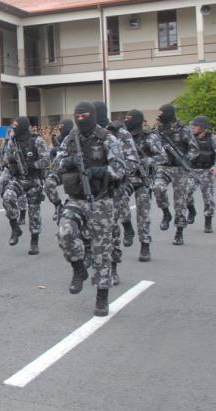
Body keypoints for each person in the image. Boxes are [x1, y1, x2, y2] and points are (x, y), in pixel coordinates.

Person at [54, 101, 125, 317]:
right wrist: (69, 162)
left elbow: (120, 169)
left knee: (101, 252)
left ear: (92, 116)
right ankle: (78, 269)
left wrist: (101, 172)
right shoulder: (70, 138)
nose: (80, 120)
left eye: (84, 116)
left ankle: (102, 296)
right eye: (77, 116)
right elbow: (56, 163)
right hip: (76, 199)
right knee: (64, 231)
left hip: (100, 200)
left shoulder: (107, 139)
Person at [96, 101, 139, 286]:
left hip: (112, 190)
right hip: (90, 190)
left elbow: (132, 161)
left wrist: (111, 174)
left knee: (112, 231)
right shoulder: (84, 134)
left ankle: (112, 268)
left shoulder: (119, 133)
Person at [0, 116, 49, 254]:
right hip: (18, 179)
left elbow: (46, 160)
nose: (14, 128)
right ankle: (15, 227)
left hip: (34, 180)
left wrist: (32, 164)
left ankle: (34, 241)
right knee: (8, 198)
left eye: (16, 125)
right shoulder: (13, 141)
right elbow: (5, 158)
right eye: (13, 125)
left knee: (34, 213)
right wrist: (10, 160)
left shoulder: (37, 140)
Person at [152, 104, 199, 245]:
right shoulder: (157, 130)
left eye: (162, 113)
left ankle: (179, 231)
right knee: (157, 188)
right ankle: (166, 213)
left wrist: (185, 158)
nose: (159, 115)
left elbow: (194, 149)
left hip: (180, 169)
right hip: (164, 167)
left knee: (180, 202)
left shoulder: (183, 129)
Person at [124, 109, 167, 262]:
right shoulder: (122, 136)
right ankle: (127, 226)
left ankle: (145, 245)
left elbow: (162, 156)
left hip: (143, 179)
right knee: (119, 203)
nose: (126, 120)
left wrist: (146, 161)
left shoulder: (149, 137)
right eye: (125, 118)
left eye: (129, 118)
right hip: (126, 179)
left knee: (143, 214)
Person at [186, 116, 216, 233]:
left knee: (208, 198)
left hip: (207, 172)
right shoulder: (190, 138)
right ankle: (191, 210)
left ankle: (208, 221)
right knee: (186, 192)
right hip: (192, 171)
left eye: (195, 126)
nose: (193, 128)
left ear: (202, 128)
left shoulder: (212, 139)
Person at [44, 119, 74, 222]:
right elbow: (56, 160)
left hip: (74, 171)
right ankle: (58, 206)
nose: (60, 128)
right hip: (61, 170)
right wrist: (54, 152)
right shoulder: (59, 139)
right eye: (59, 126)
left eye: (62, 126)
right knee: (48, 184)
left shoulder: (75, 138)